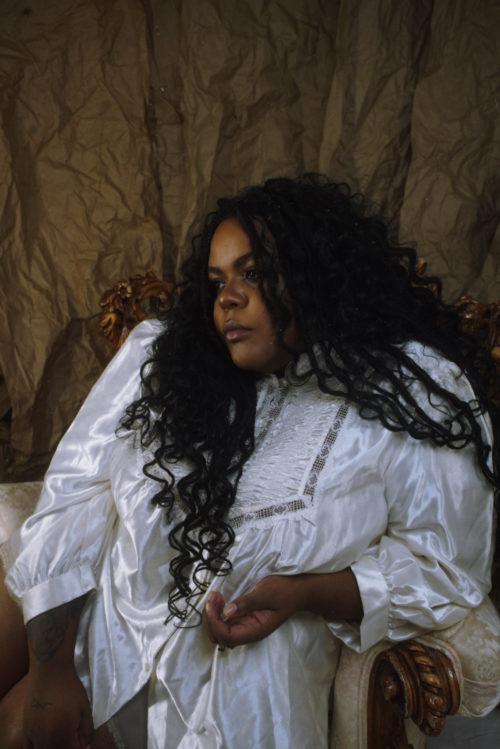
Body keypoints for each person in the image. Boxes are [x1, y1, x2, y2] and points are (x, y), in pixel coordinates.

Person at [0, 174, 497, 749]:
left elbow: (443, 564)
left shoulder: (410, 388)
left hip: (238, 697)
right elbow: (74, 496)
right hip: (99, 638)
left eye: (254, 273)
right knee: (18, 726)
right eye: (217, 282)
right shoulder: (165, 355)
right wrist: (51, 671)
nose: (228, 298)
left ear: (317, 272)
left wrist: (305, 592)